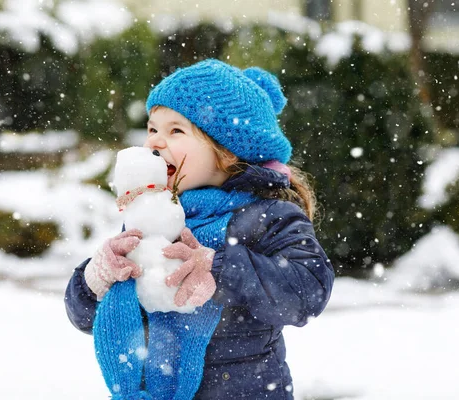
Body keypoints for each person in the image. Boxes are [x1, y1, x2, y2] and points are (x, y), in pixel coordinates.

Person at [65, 59, 334, 400]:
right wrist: (95, 280)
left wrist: (219, 266)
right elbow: (90, 319)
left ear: (227, 151)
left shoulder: (267, 216)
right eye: (152, 129)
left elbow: (308, 290)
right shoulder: (148, 217)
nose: (155, 143)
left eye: (176, 130)